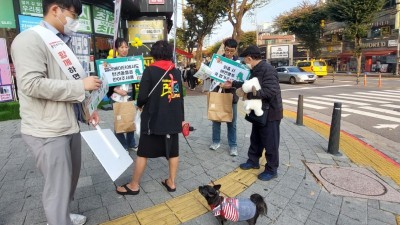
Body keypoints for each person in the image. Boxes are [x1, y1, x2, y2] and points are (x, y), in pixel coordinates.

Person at [11, 0, 102, 224]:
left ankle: (64, 215)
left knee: (69, 180)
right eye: (73, 15)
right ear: (55, 10)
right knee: (57, 187)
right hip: (48, 130)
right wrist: (82, 86)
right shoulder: (29, 40)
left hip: (69, 123)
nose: (76, 22)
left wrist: (86, 110)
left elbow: (68, 84)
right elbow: (31, 85)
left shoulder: (63, 42)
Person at [116, 40, 184, 195]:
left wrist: (140, 104)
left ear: (154, 54)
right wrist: (181, 119)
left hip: (153, 119)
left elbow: (142, 97)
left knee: (143, 152)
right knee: (173, 152)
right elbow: (179, 97)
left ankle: (134, 186)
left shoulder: (150, 71)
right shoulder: (176, 72)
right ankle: (171, 183)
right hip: (173, 119)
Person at [223, 45, 283, 181]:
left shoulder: (268, 70)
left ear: (249, 58)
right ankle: (253, 161)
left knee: (270, 142)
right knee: (256, 138)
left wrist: (249, 95)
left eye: (245, 61)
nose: (245, 63)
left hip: (271, 112)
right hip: (260, 111)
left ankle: (272, 169)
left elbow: (271, 91)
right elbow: (247, 84)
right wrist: (233, 83)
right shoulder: (256, 70)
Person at [209, 38, 239, 156]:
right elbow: (211, 75)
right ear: (224, 48)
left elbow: (241, 81)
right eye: (227, 50)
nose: (229, 53)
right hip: (218, 94)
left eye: (232, 51)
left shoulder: (239, 65)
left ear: (235, 50)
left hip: (232, 97)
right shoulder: (217, 61)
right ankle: (216, 141)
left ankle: (233, 146)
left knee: (232, 122)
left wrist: (230, 85)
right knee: (216, 119)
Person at [106, 38, 138, 151]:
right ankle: (122, 145)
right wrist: (116, 90)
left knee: (130, 118)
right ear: (116, 49)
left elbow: (137, 78)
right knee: (119, 120)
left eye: (126, 47)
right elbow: (106, 81)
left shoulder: (131, 61)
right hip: (117, 97)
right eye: (121, 47)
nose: (124, 49)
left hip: (129, 95)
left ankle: (131, 143)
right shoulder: (111, 62)